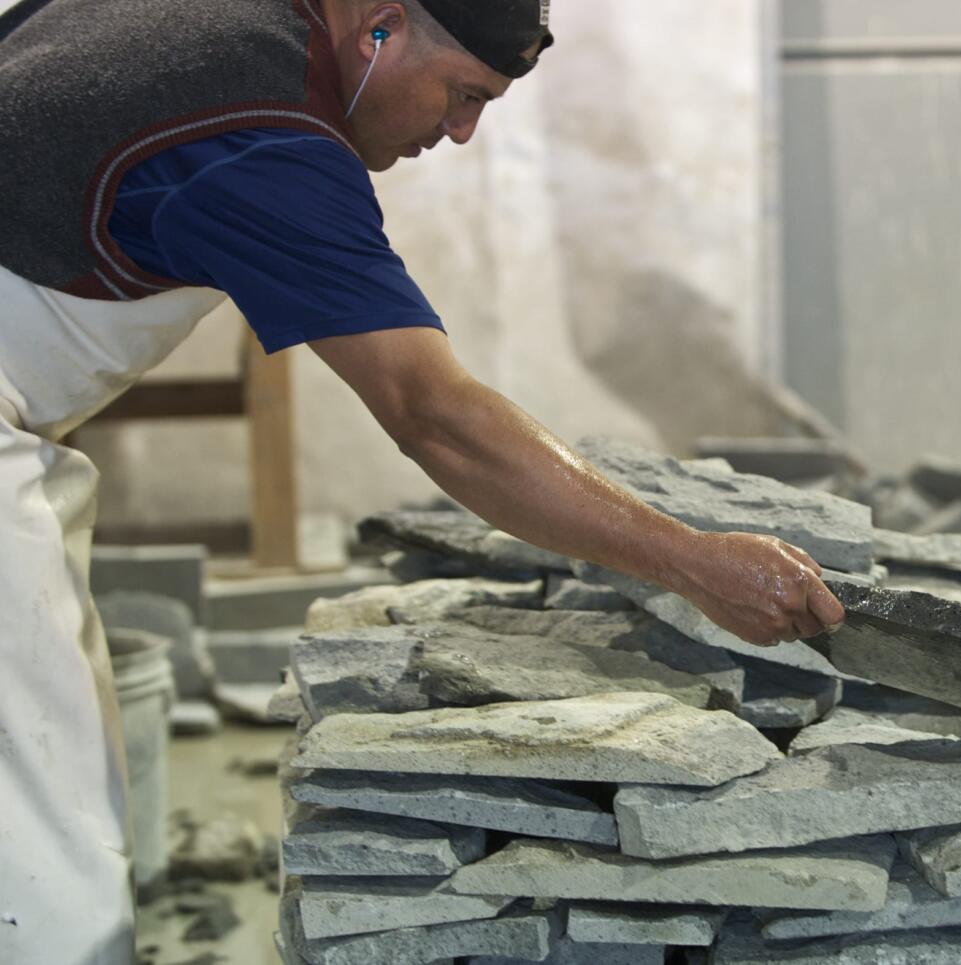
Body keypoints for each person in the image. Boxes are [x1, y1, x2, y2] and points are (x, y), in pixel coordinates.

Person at [0, 0, 845, 961]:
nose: (460, 132)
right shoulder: (261, 139)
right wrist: (691, 559)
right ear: (382, 27)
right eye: (463, 94)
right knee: (40, 834)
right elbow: (435, 414)